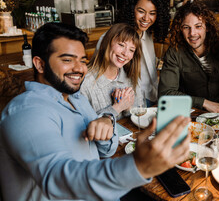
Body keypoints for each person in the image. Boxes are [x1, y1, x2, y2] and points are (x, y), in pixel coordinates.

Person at [0, 22, 190, 200]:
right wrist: (137, 166)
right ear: (40, 64)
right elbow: (56, 178)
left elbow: (108, 150)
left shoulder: (77, 99)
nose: (79, 68)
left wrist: (107, 120)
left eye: (83, 60)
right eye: (67, 59)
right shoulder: (27, 111)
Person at [158, 1, 219, 113]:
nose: (192, 33)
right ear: (180, 29)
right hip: (194, 114)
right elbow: (165, 94)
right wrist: (203, 102)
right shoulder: (175, 53)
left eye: (198, 26)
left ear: (207, 27)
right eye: (186, 27)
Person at [118, 0, 170, 107]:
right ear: (132, 10)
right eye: (141, 11)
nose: (146, 18)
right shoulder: (116, 37)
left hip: (153, 95)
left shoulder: (147, 34)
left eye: (152, 13)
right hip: (132, 102)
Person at [81, 23, 142, 121]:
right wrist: (117, 108)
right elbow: (83, 125)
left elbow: (140, 115)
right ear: (107, 43)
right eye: (121, 45)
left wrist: (128, 108)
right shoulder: (85, 82)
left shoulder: (131, 78)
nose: (125, 53)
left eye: (131, 50)